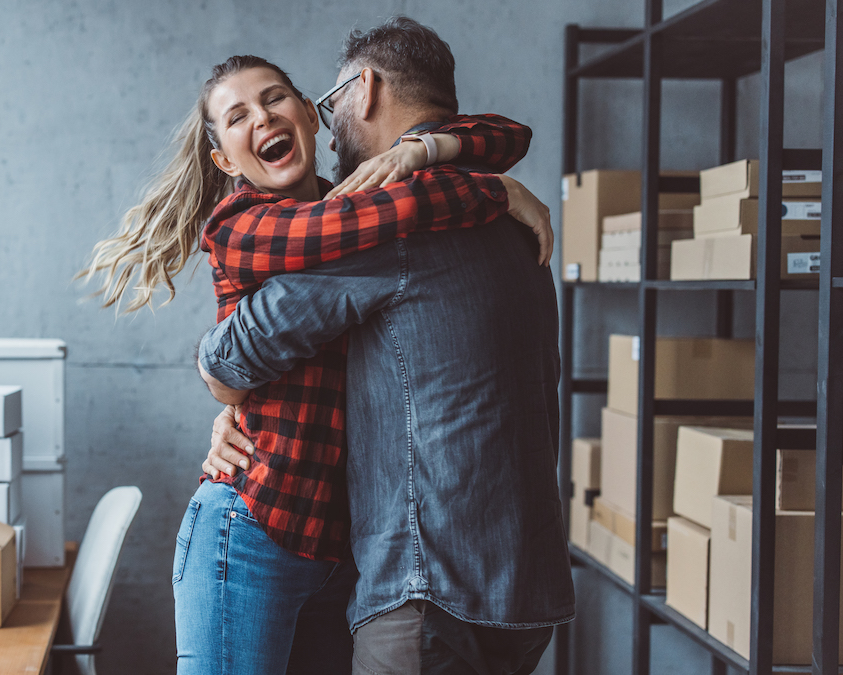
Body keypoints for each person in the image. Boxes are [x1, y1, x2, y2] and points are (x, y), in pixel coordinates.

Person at [80, 50, 553, 675]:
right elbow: (387, 215)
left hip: (340, 552)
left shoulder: (355, 205)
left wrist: (419, 153)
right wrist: (493, 189)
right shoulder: (244, 225)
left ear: (310, 114)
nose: (262, 118)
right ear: (224, 159)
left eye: (275, 99)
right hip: (252, 532)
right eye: (237, 116)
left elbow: (506, 134)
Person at [198, 18, 575, 675]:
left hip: (431, 589)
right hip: (527, 590)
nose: (332, 127)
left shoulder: (389, 221)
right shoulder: (511, 221)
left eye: (327, 104)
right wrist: (496, 184)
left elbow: (233, 355)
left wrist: (219, 381)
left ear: (363, 90)